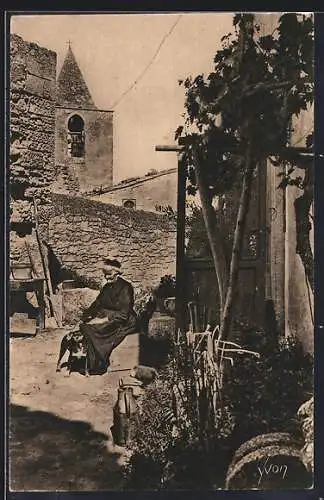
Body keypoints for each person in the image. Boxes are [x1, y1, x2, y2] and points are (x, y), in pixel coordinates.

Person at [79, 258, 137, 374]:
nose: (106, 277)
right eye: (105, 275)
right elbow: (97, 304)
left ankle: (98, 363)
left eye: (109, 274)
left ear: (116, 273)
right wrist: (86, 316)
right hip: (107, 318)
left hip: (123, 321)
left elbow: (123, 314)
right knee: (85, 326)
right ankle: (94, 362)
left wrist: (102, 321)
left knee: (92, 329)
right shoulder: (106, 288)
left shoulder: (126, 288)